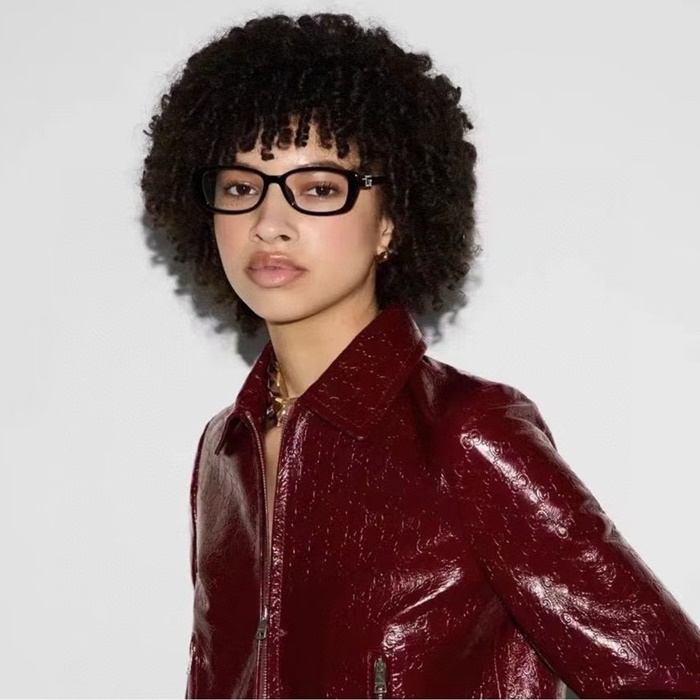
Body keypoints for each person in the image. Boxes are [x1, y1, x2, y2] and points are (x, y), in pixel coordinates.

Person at [141, 13, 700, 699]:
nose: (269, 223)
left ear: (391, 222)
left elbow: (671, 678)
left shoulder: (465, 432)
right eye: (240, 188)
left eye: (319, 189)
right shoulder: (225, 450)